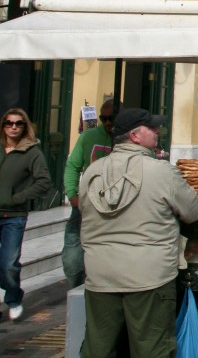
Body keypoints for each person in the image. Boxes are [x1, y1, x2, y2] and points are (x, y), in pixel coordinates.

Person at [79, 108, 198, 356]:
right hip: (149, 277)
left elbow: (84, 210)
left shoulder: (92, 172)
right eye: (152, 128)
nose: (158, 132)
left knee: (98, 348)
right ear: (135, 135)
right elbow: (192, 212)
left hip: (100, 275)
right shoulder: (161, 171)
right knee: (152, 348)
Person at [0, 108, 51, 321]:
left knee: (8, 263)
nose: (13, 127)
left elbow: (44, 182)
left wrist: (19, 197)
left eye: (18, 123)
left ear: (24, 126)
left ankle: (13, 298)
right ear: (3, 125)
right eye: (9, 123)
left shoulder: (32, 152)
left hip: (14, 215)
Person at [62, 100, 115, 288]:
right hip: (86, 203)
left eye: (112, 118)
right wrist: (72, 195)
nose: (108, 122)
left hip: (116, 204)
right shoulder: (88, 137)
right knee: (72, 248)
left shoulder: (129, 138)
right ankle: (75, 285)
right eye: (104, 118)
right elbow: (73, 166)